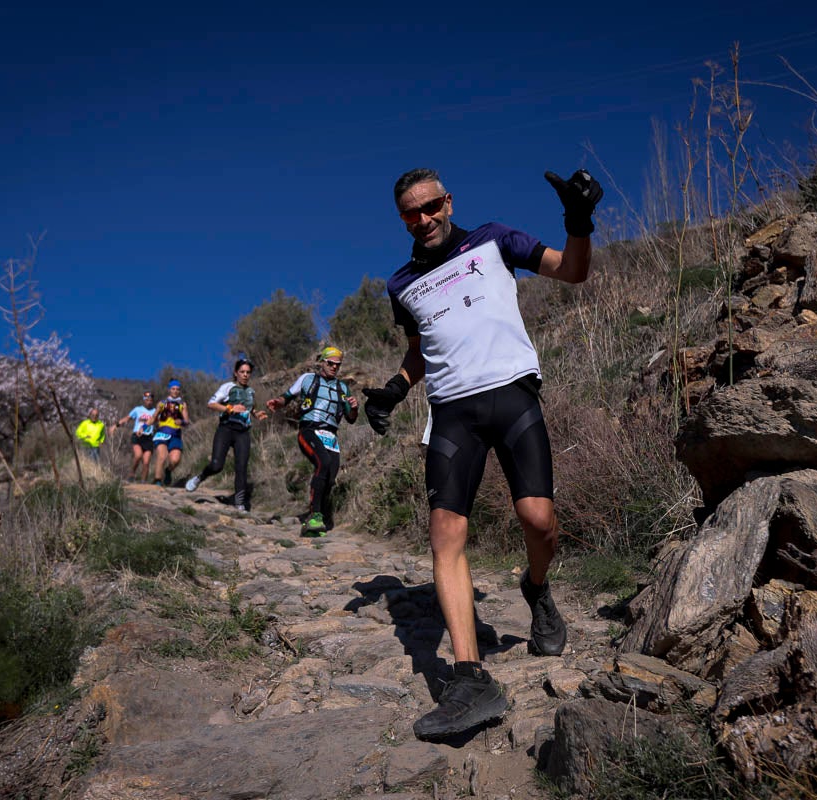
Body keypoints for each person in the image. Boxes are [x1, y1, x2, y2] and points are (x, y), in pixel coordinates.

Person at [361, 166, 602, 741]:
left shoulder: (494, 239)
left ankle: (537, 590)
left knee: (537, 519)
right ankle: (471, 677)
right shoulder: (400, 285)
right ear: (402, 220)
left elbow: (572, 272)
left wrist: (577, 221)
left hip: (512, 395)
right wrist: (395, 389)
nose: (423, 220)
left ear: (449, 201)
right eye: (410, 214)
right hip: (450, 413)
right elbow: (420, 351)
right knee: (445, 535)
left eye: (431, 206)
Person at [265, 347, 359, 536]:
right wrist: (277, 402)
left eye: (337, 365)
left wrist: (355, 407)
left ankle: (317, 523)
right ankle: (315, 515)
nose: (333, 367)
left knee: (330, 479)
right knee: (322, 463)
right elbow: (288, 396)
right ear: (322, 362)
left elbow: (351, 418)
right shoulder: (307, 379)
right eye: (330, 363)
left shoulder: (343, 388)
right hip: (309, 430)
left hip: (331, 436)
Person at [186, 359, 268, 510]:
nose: (245, 375)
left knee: (241, 467)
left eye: (248, 372)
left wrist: (256, 413)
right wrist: (229, 408)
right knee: (217, 465)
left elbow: (248, 408)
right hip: (226, 429)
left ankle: (240, 504)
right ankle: (200, 477)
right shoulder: (228, 387)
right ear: (236, 373)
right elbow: (211, 404)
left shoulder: (251, 391)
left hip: (243, 432)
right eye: (242, 372)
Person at [152, 379, 190, 487]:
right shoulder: (162, 403)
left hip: (176, 435)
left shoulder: (182, 404)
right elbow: (154, 417)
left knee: (175, 460)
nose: (175, 391)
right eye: (173, 389)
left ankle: (168, 471)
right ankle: (158, 480)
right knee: (162, 456)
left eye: (177, 389)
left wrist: (181, 421)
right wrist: (143, 427)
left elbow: (187, 421)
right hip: (162, 433)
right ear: (169, 390)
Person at [114, 391, 157, 481]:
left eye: (151, 400)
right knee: (138, 455)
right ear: (144, 400)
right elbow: (127, 418)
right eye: (147, 400)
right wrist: (116, 425)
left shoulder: (155, 411)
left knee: (146, 462)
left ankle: (143, 482)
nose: (149, 402)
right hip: (137, 436)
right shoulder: (137, 409)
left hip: (148, 438)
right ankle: (132, 473)